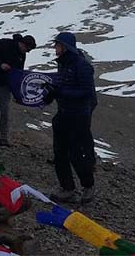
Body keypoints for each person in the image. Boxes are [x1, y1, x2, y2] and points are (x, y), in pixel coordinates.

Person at [44, 32, 98, 204]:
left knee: (76, 154)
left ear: (65, 47)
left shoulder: (82, 66)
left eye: (57, 45)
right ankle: (67, 188)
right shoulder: (63, 65)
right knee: (59, 153)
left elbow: (86, 92)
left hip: (78, 117)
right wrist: (50, 93)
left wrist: (61, 92)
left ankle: (88, 186)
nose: (55, 48)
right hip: (63, 114)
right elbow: (61, 86)